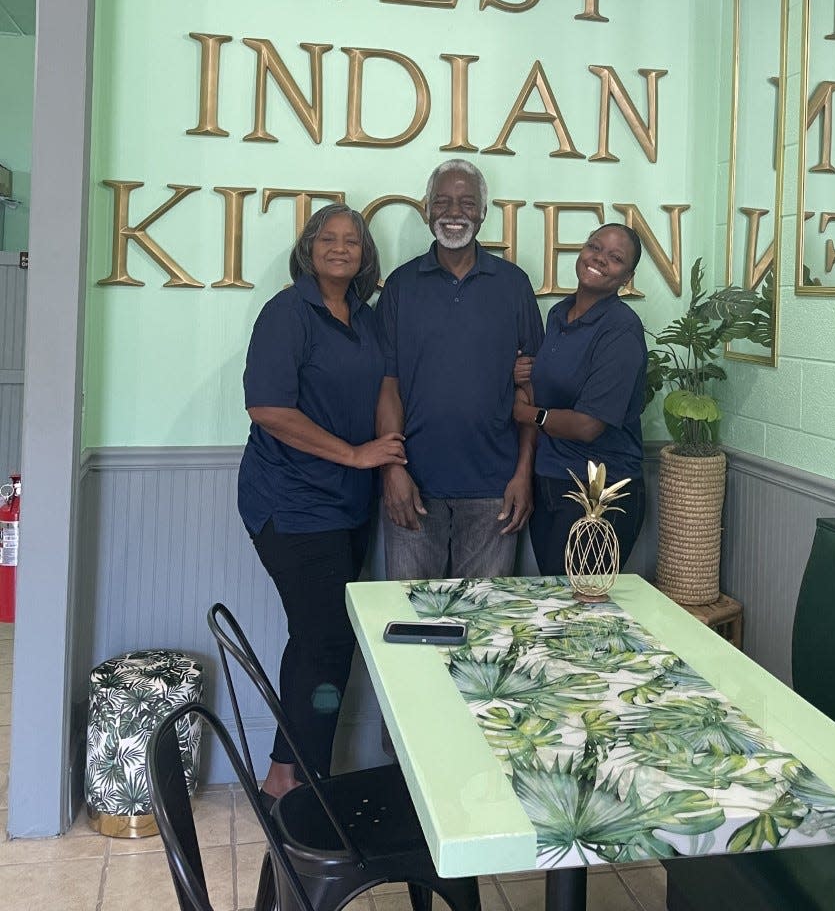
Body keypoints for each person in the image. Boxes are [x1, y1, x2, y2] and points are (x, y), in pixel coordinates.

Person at [238, 204, 406, 804]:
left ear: (365, 254)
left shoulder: (364, 317)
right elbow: (269, 409)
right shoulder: (287, 313)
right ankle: (304, 785)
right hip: (290, 504)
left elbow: (387, 385)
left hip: (347, 508)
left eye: (353, 240)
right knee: (327, 639)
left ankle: (286, 771)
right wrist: (357, 455)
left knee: (316, 637)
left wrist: (385, 460)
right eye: (328, 238)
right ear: (309, 249)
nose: (341, 248)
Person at [375, 160, 544, 579]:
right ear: (428, 210)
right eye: (443, 201)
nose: (455, 211)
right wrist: (393, 470)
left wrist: (524, 474)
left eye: (467, 202)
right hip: (414, 487)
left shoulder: (513, 285)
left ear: (483, 212)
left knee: (485, 630)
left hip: (495, 491)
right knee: (411, 627)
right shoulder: (400, 286)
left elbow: (531, 390)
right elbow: (387, 387)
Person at [513, 223, 647, 575]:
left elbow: (588, 425)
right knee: (556, 597)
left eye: (615, 258)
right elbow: (548, 383)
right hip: (552, 481)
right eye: (594, 247)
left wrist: (528, 414)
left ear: (627, 277)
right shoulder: (559, 314)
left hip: (599, 493)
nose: (599, 259)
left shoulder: (621, 329)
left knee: (584, 609)